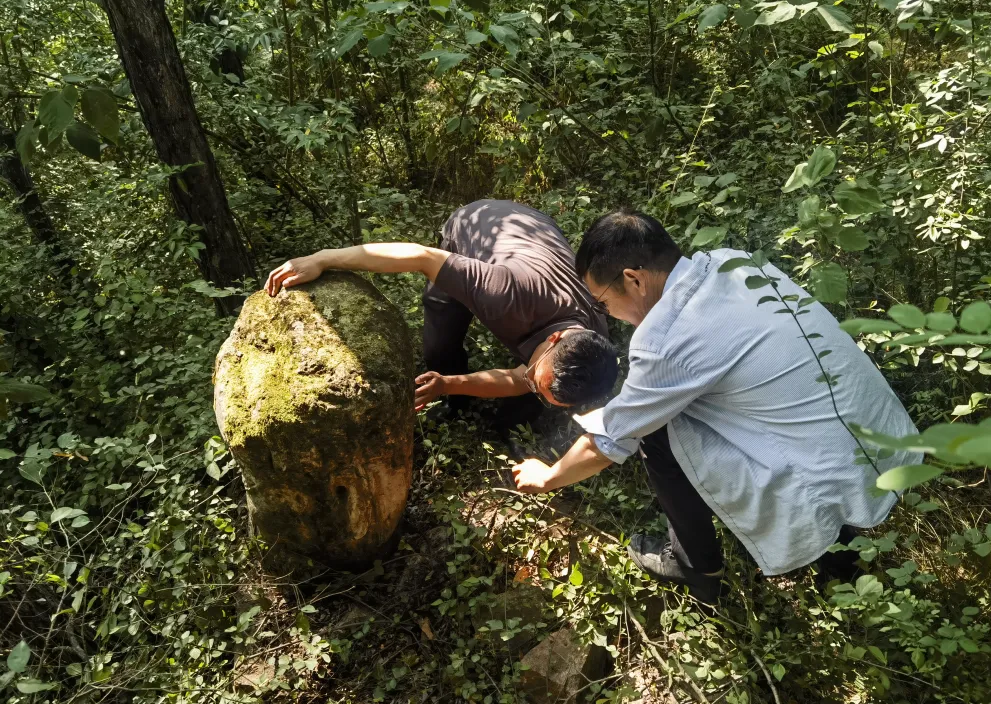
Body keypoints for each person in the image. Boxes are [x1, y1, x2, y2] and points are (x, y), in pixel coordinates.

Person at [511, 210, 921, 601]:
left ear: (634, 279)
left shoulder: (664, 338)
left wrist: (546, 477)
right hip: (877, 433)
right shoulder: (732, 261)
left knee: (655, 430)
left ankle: (697, 569)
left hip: (820, 463)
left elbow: (609, 441)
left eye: (603, 303)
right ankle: (844, 563)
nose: (610, 316)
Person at [265, 199, 619, 415]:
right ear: (556, 339)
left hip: (536, 230)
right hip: (478, 224)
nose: (527, 379)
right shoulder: (504, 292)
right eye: (536, 378)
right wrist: (323, 259)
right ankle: (455, 406)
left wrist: (447, 384)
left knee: (528, 389)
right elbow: (421, 257)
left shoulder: (594, 332)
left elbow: (517, 378)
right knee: (440, 334)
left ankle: (498, 413)